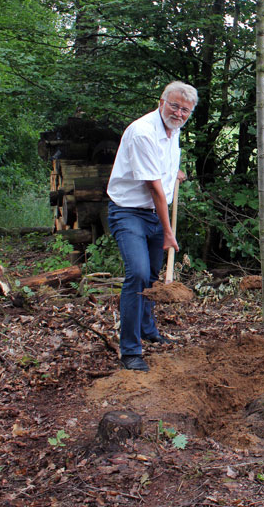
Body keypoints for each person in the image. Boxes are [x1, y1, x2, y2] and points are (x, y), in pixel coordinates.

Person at [106, 81, 197, 371]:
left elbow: (163, 171)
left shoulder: (174, 131)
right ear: (161, 102)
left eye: (185, 109)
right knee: (138, 274)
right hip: (129, 212)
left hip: (156, 213)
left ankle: (147, 329)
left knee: (152, 278)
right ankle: (130, 351)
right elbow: (155, 189)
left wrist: (175, 173)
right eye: (174, 105)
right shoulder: (143, 132)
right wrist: (168, 232)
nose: (179, 113)